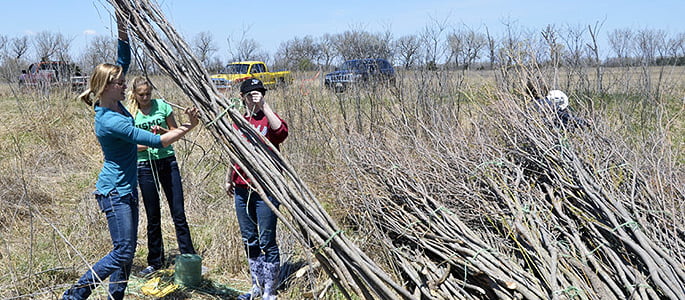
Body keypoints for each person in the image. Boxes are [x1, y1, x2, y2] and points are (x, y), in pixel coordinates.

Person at [62, 15, 199, 300]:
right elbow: (156, 141)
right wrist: (189, 126)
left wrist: (122, 24)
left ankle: (116, 296)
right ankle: (76, 294)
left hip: (127, 189)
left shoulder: (115, 104)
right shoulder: (110, 119)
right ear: (105, 86)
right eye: (121, 84)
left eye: (124, 82)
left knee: (125, 250)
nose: (126, 87)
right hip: (114, 192)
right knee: (123, 250)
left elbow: (122, 57)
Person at [125, 76, 197, 276]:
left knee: (178, 212)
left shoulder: (163, 107)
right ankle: (155, 261)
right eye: (142, 95)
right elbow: (130, 145)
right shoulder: (130, 113)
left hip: (167, 162)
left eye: (148, 93)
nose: (146, 97)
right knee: (153, 214)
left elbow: (174, 132)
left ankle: (189, 257)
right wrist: (154, 141)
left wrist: (163, 133)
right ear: (135, 94)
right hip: (144, 164)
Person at [225, 78, 288, 300]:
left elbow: (280, 133)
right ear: (242, 97)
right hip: (242, 187)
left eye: (259, 92)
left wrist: (265, 106)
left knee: (267, 240)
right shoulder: (237, 122)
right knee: (249, 238)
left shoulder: (268, 120)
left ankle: (270, 291)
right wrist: (228, 178)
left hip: (266, 189)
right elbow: (234, 152)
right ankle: (256, 286)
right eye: (250, 94)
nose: (254, 96)